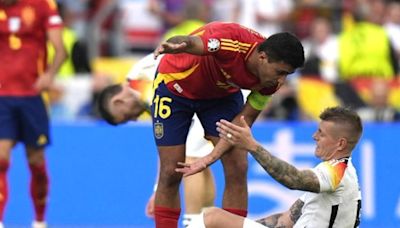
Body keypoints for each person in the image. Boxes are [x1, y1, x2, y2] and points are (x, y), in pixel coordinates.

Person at [153, 21, 304, 227]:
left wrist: (209, 158)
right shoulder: (230, 41)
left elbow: (243, 123)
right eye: (280, 72)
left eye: (287, 74)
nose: (282, 81)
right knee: (171, 171)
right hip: (174, 86)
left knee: (238, 166)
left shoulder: (271, 82)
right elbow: (192, 43)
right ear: (262, 58)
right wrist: (173, 43)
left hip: (220, 97)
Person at [97, 54, 216, 227]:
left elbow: (171, 147)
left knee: (190, 158)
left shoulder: (141, 87)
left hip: (210, 83)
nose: (134, 119)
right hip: (208, 89)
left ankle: (193, 222)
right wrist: (157, 190)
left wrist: (160, 192)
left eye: (125, 117)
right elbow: (168, 147)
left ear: (118, 102)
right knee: (198, 160)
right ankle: (205, 219)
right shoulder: (140, 84)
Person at [194, 106, 363, 228]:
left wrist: (252, 146)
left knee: (212, 218)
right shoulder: (336, 176)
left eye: (321, 133)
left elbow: (295, 179)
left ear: (340, 143)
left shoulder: (338, 172)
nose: (314, 136)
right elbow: (285, 220)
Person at [0, 0, 67, 227]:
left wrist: (50, 75)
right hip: (2, 98)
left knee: (36, 161)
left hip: (32, 97)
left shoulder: (42, 4)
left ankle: (39, 220)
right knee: (1, 159)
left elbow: (60, 50)